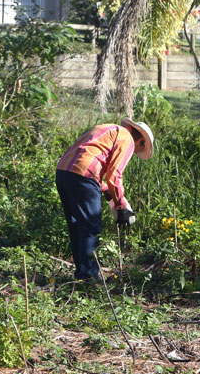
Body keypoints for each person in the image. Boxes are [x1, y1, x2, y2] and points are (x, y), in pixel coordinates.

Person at [55, 118, 155, 281]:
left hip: (63, 172)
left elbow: (88, 158)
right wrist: (121, 206)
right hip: (82, 176)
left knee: (76, 226)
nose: (134, 152)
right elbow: (115, 175)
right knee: (89, 227)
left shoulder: (107, 129)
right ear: (140, 140)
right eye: (138, 149)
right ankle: (89, 278)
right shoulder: (127, 139)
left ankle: (82, 273)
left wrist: (107, 191)